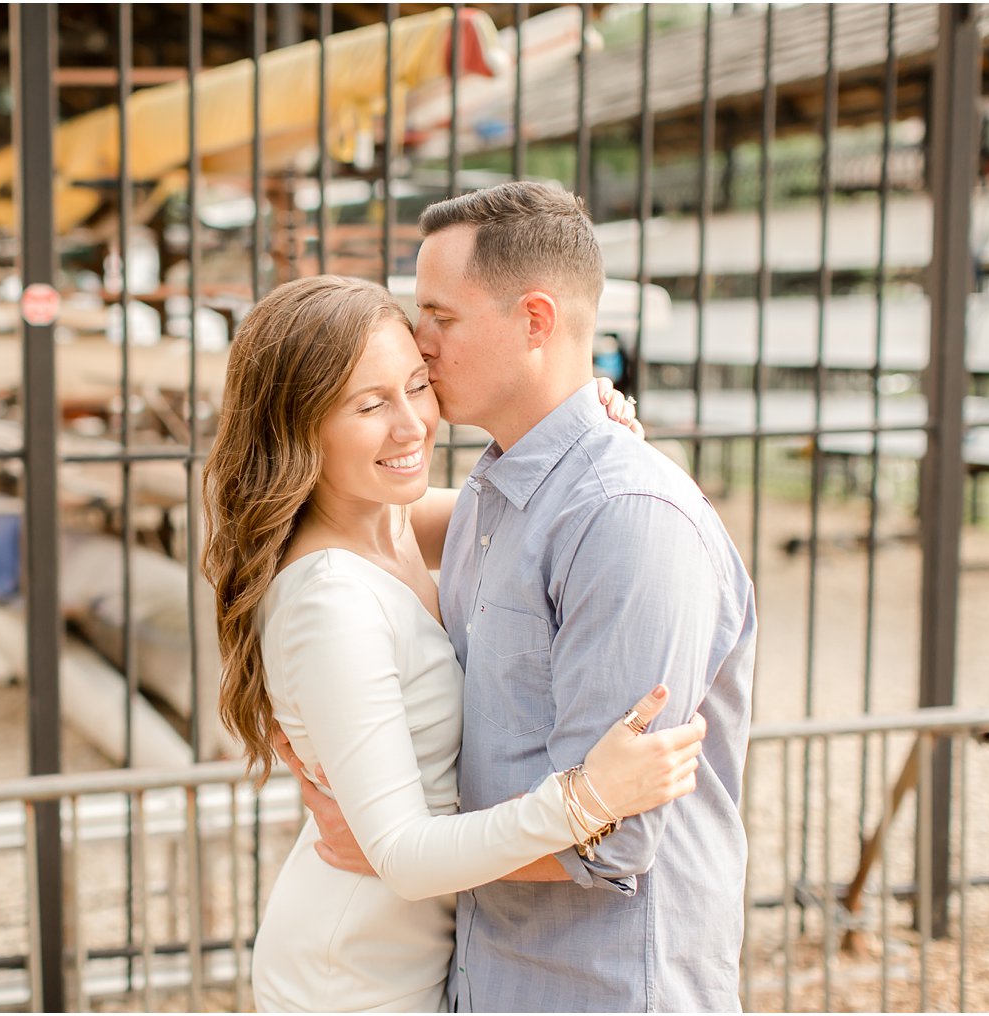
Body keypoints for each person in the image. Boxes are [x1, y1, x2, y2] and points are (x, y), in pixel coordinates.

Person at [288, 182, 758, 1012]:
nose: (417, 342)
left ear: (535, 321)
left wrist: (396, 850)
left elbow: (610, 843)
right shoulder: (492, 491)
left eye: (441, 316)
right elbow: (319, 512)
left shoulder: (623, 520)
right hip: (486, 975)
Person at [201, 274, 708, 1013]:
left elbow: (544, 503)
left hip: (421, 955)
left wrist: (591, 418)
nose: (412, 426)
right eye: (370, 405)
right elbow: (404, 856)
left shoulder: (394, 523)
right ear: (297, 424)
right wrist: (587, 797)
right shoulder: (332, 600)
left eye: (416, 385)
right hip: (355, 980)